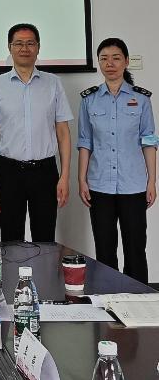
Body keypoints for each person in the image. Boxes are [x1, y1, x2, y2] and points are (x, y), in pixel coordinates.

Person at [0, 23, 73, 242]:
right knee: (11, 239)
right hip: (8, 171)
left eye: (30, 43)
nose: (25, 48)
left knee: (45, 238)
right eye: (19, 44)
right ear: (9, 47)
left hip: (45, 171)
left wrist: (64, 176)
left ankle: (45, 268)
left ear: (38, 47)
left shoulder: (53, 84)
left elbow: (63, 132)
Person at [77, 38, 156, 284]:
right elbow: (85, 142)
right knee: (104, 250)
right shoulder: (89, 99)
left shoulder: (141, 99)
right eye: (104, 58)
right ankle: (107, 298)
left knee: (135, 249)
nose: (109, 63)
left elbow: (149, 141)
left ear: (126, 61)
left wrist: (151, 181)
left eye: (116, 58)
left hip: (133, 185)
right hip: (99, 185)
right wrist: (82, 179)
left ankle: (139, 299)